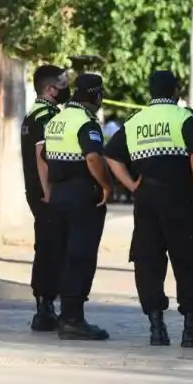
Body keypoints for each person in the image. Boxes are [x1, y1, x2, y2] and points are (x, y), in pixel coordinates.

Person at [103, 70, 193, 349]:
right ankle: (191, 332)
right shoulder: (183, 116)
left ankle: (157, 329)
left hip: (146, 202)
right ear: (176, 91)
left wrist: (132, 185)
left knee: (148, 262)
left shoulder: (136, 121)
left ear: (150, 92)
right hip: (180, 198)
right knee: (190, 260)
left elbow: (110, 155)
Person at [38, 73, 112, 341]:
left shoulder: (56, 120)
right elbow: (93, 158)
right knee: (81, 256)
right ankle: (72, 318)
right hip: (81, 195)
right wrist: (107, 185)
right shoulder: (85, 121)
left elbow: (43, 155)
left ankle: (65, 315)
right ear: (94, 95)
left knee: (64, 255)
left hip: (59, 195)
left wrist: (48, 189)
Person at [19, 64, 71, 331]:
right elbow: (42, 158)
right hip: (46, 193)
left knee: (48, 247)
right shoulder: (47, 116)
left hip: (36, 192)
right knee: (52, 249)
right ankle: (45, 308)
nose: (66, 87)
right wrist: (50, 192)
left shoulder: (31, 115)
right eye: (63, 83)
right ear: (50, 89)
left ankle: (46, 304)